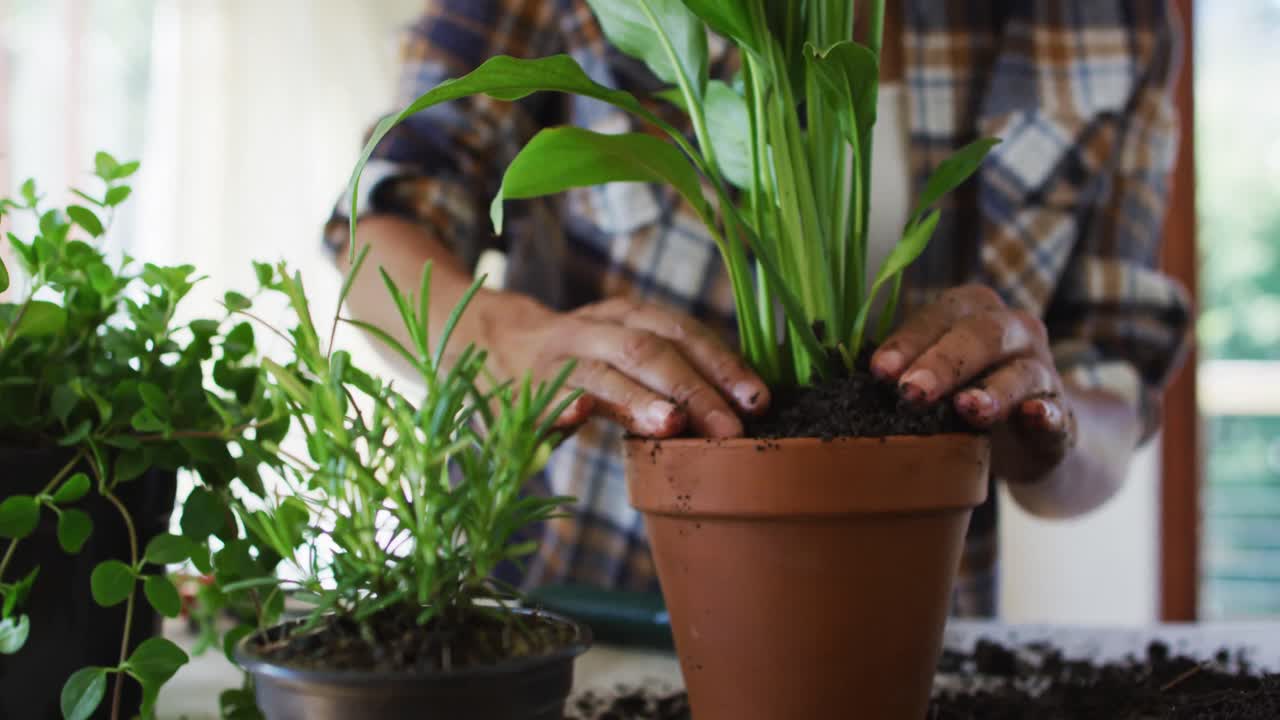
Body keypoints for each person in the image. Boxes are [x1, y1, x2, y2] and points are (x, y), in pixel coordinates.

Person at [326, 0, 1190, 617]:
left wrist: (1047, 417)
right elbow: (383, 227)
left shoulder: (1116, 20)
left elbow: (1108, 374)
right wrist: (511, 341)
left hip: (909, 623)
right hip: (572, 606)